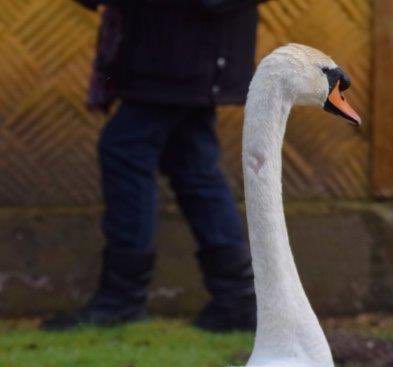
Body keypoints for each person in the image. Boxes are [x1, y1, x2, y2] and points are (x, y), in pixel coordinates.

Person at [43, 0, 264, 332]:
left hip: (185, 52)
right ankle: (237, 299)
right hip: (176, 51)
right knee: (192, 164)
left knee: (127, 149)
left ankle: (123, 300)